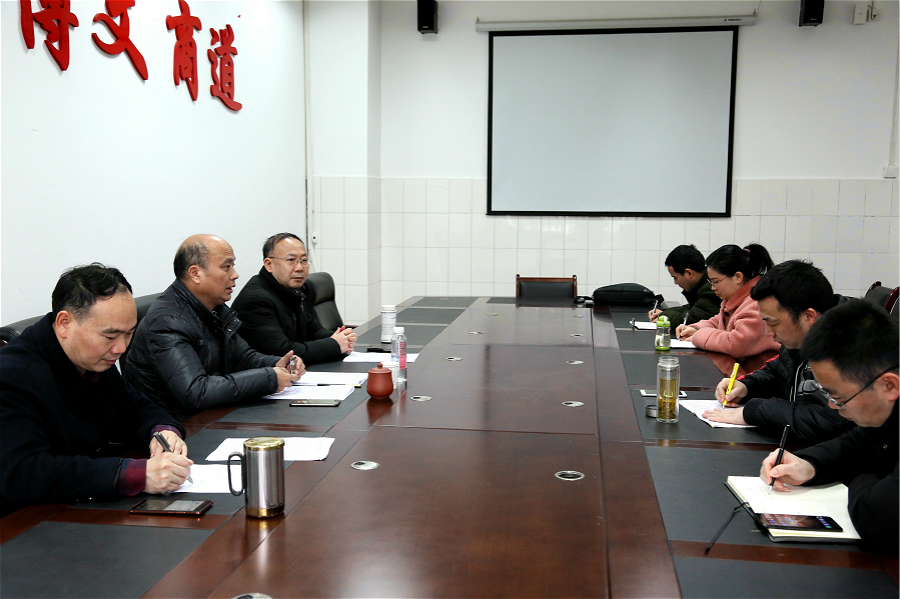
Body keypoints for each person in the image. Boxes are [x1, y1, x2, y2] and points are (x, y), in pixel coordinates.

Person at [0, 264, 192, 516]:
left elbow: (136, 408)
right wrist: (138, 475)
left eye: (129, 334)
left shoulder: (91, 359)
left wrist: (162, 431)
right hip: (25, 521)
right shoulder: (11, 376)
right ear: (64, 323)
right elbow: (23, 472)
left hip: (79, 505)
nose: (121, 348)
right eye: (110, 336)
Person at [759, 300, 898, 554]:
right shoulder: (883, 409)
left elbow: (879, 519)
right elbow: (855, 443)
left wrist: (861, 475)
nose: (833, 406)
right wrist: (808, 464)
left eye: (840, 398)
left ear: (889, 386)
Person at [124, 235, 305, 420]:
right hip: (178, 426)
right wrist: (269, 378)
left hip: (214, 415)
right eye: (226, 267)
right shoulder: (166, 322)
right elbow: (196, 392)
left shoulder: (214, 308)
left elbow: (243, 358)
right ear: (195, 273)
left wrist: (277, 364)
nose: (235, 274)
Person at [702, 260, 854, 443]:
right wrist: (747, 385)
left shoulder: (850, 347)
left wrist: (756, 411)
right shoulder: (802, 337)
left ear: (808, 316)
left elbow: (830, 421)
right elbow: (779, 371)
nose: (768, 332)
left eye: (773, 323)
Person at [232, 233, 356, 365]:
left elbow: (312, 330)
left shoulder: (295, 289)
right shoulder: (255, 300)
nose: (299, 268)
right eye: (291, 260)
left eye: (304, 260)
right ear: (269, 264)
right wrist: (334, 344)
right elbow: (283, 352)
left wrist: (340, 337)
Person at [676, 243, 780, 361]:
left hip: (759, 370)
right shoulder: (737, 299)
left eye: (716, 282)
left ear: (737, 277)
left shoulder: (757, 303)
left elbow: (736, 344)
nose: (713, 288)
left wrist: (699, 336)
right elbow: (719, 321)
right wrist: (696, 328)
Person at [648, 244, 719, 326]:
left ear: (689, 273)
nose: (675, 282)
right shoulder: (704, 284)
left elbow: (692, 318)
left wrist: (665, 316)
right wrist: (664, 313)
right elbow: (692, 308)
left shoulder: (710, 288)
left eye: (675, 277)